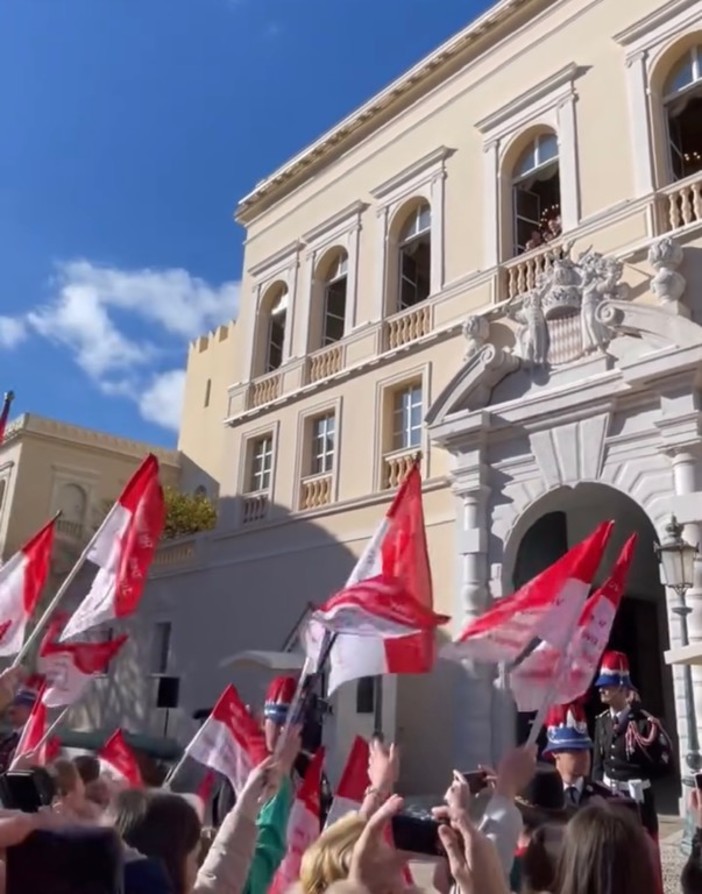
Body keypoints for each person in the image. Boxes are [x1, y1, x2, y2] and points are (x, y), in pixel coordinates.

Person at [592, 651, 672, 839]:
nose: (600, 690)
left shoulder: (644, 723)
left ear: (621, 687)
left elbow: (664, 765)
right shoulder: (602, 722)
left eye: (606, 686)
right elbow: (597, 765)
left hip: (636, 798)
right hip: (609, 796)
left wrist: (640, 781)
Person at [543, 702, 622, 809]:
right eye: (576, 750)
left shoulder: (607, 798)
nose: (585, 756)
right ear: (555, 753)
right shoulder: (543, 798)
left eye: (586, 749)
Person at [0, 686, 38, 774]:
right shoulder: (8, 740)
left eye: (18, 704)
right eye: (12, 704)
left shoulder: (34, 741)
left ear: (31, 710)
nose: (11, 709)